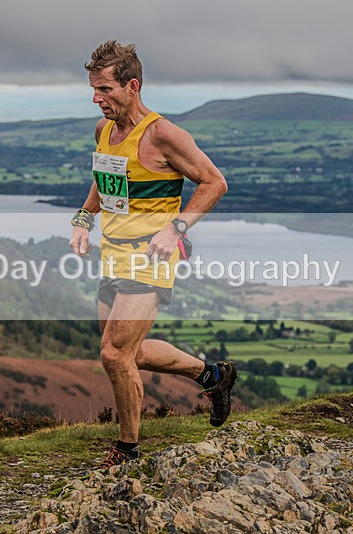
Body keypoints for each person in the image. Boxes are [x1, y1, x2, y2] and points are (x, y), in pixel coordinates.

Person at [69, 40, 236, 470]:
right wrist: (83, 221)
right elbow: (103, 182)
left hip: (154, 256)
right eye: (93, 89)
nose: (96, 99)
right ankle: (213, 377)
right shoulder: (103, 131)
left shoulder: (163, 134)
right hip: (114, 253)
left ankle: (127, 449)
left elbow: (214, 182)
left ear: (133, 85)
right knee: (133, 353)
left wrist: (176, 227)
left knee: (113, 354)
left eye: (105, 90)